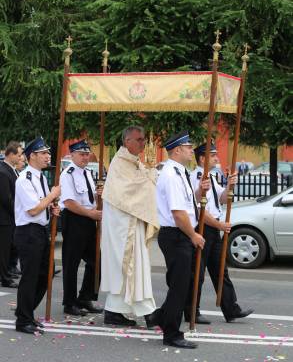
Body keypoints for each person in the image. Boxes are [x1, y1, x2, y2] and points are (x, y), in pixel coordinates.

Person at [101, 126, 159, 328]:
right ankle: (149, 312)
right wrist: (151, 177)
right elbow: (131, 191)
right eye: (139, 139)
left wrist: (150, 175)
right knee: (133, 268)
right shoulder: (120, 163)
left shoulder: (133, 162)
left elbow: (142, 183)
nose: (143, 143)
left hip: (131, 223)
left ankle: (113, 311)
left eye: (143, 139)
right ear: (127, 141)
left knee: (127, 270)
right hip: (124, 228)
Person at [190, 142, 254, 323]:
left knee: (220, 271)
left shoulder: (212, 176)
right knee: (198, 273)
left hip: (214, 230)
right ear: (202, 159)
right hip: (202, 228)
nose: (217, 158)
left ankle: (231, 308)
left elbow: (222, 199)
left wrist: (230, 185)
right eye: (213, 155)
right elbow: (199, 210)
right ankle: (192, 311)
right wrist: (220, 226)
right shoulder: (196, 178)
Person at [155, 131, 205, 349]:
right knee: (179, 286)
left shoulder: (180, 172)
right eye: (188, 147)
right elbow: (178, 213)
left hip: (180, 234)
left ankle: (159, 317)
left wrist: (198, 193)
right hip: (177, 235)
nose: (191, 150)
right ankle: (172, 334)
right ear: (177, 150)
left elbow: (185, 204)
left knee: (182, 283)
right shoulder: (171, 175)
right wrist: (193, 235)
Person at [14, 137, 61, 334]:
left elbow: (41, 205)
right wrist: (52, 195)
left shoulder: (41, 177)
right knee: (30, 277)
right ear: (32, 156)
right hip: (28, 233)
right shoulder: (25, 179)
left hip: (41, 231)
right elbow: (33, 209)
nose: (47, 156)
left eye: (48, 153)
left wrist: (51, 208)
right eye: (43, 153)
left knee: (45, 274)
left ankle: (26, 312)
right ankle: (23, 320)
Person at [60, 139, 103, 317]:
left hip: (87, 220)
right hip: (74, 219)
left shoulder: (87, 173)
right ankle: (69, 303)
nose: (86, 157)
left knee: (96, 261)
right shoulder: (67, 174)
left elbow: (90, 199)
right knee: (71, 263)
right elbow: (69, 202)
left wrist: (98, 195)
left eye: (87, 154)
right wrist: (90, 214)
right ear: (72, 155)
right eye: (82, 154)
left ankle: (85, 297)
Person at [0, 141, 23, 288]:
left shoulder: (11, 169)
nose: (21, 157)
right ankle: (5, 278)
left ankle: (6, 273)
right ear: (11, 154)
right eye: (19, 154)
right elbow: (6, 198)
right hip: (4, 219)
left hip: (10, 218)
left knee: (8, 249)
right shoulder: (2, 171)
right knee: (3, 250)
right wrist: (19, 211)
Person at [9, 153, 26, 278]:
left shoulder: (19, 174)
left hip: (16, 216)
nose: (23, 163)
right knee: (11, 245)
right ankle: (10, 268)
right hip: (11, 215)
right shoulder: (15, 174)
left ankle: (13, 266)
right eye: (21, 161)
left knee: (14, 245)